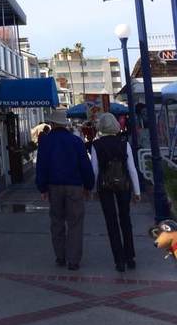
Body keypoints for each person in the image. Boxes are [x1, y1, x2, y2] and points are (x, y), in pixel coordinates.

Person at [36, 108, 95, 271]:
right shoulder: (76, 141)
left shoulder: (46, 142)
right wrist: (88, 185)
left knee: (57, 222)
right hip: (74, 186)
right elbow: (85, 165)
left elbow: (41, 166)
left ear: (52, 123)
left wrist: (42, 188)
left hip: (53, 186)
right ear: (65, 124)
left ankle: (60, 256)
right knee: (75, 223)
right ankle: (73, 260)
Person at [90, 113, 141, 272]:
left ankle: (119, 260)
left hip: (105, 187)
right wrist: (137, 191)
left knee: (111, 222)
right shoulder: (124, 143)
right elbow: (132, 169)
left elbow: (94, 170)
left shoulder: (96, 145)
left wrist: (93, 190)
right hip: (123, 185)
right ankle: (130, 257)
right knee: (125, 219)